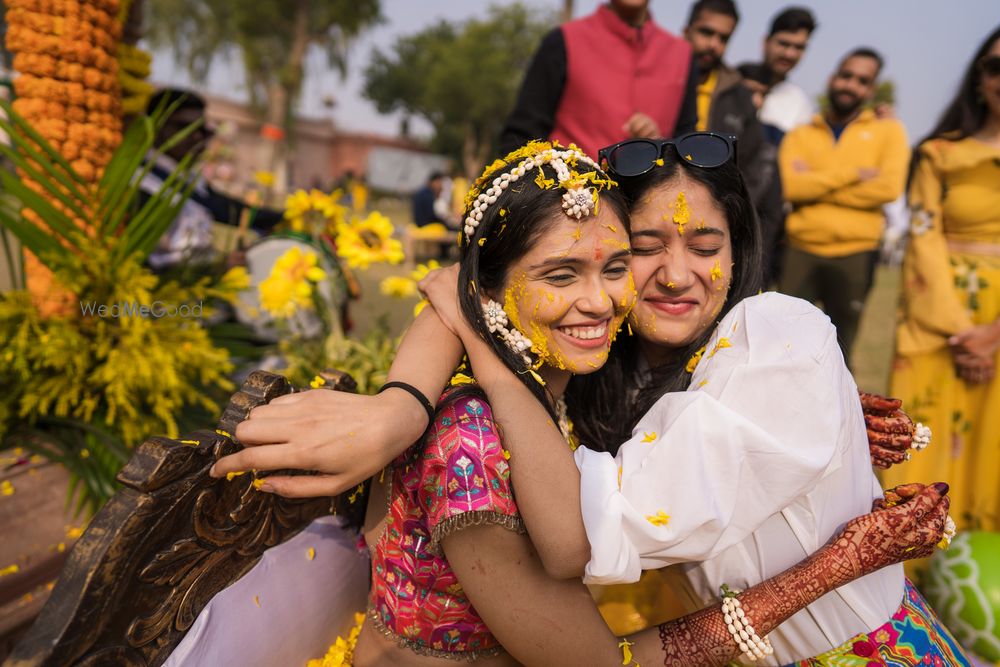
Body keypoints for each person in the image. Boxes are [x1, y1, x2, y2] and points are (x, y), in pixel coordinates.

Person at [214, 140, 949, 667]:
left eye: (705, 245)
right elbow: (582, 553)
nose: (669, 276)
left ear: (742, 248)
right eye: (646, 246)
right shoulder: (493, 430)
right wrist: (405, 403)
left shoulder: (766, 336)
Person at [883, 26, 1000, 532]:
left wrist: (995, 335)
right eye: (996, 67)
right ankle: (911, 570)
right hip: (941, 322)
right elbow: (924, 236)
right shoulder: (939, 155)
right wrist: (963, 331)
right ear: (979, 79)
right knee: (926, 446)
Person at [777, 48, 911, 364]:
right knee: (784, 349)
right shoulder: (800, 133)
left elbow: (888, 189)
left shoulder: (889, 132)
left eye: (862, 80)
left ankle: (836, 414)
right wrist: (853, 175)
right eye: (846, 75)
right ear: (832, 77)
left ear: (871, 89)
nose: (851, 85)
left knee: (841, 353)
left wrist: (816, 183)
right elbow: (791, 186)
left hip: (857, 252)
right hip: (800, 249)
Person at [499, 0, 697, 158]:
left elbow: (687, 151)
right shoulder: (563, 40)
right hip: (568, 200)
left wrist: (661, 145)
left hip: (653, 204)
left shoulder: (683, 55)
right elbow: (520, 139)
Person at [140, 88, 282, 272]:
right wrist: (216, 266)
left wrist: (284, 219)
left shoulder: (185, 177)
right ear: (156, 126)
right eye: (184, 127)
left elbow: (225, 208)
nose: (197, 137)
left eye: (202, 130)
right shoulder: (141, 181)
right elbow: (146, 264)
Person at [682, 0, 767, 205]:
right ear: (686, 31)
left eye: (724, 38)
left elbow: (751, 166)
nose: (714, 44)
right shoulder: (659, 79)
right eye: (706, 32)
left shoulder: (739, 95)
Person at [758, 7, 817, 145]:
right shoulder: (732, 84)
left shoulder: (801, 106)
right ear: (766, 42)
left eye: (799, 47)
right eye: (783, 44)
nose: (789, 54)